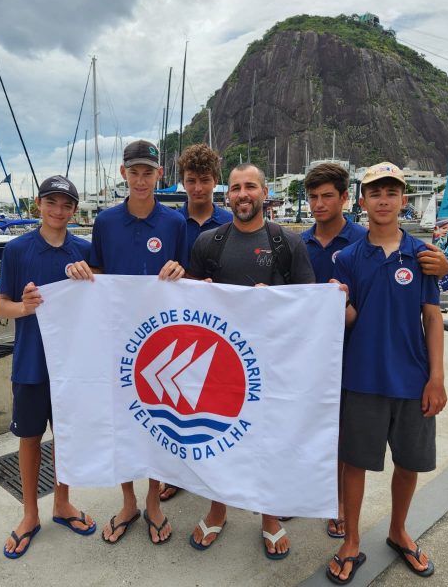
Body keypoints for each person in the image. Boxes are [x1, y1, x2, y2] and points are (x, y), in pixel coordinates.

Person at [301, 163, 448, 540]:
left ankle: (398, 531)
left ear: (403, 199)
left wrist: (436, 378)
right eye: (375, 194)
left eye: (391, 193)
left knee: (409, 464)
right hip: (362, 378)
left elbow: (432, 319)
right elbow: (351, 318)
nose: (383, 201)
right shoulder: (348, 257)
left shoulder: (422, 256)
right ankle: (350, 541)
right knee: (354, 464)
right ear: (363, 201)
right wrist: (338, 302)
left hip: (412, 380)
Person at [187, 162, 316, 559]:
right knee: (217, 439)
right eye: (236, 188)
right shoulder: (209, 242)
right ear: (228, 196)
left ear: (264, 194)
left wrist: (274, 297)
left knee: (270, 439)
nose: (243, 194)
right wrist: (199, 289)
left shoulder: (287, 243)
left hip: (273, 362)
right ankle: (217, 508)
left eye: (251, 187)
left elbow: (308, 304)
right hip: (220, 363)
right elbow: (188, 304)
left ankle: (270, 516)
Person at [66, 139, 185, 545]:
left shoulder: (174, 224)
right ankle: (128, 501)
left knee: (156, 420)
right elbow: (98, 273)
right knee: (121, 421)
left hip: (159, 340)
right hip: (117, 341)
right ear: (123, 174)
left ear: (159, 175)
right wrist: (81, 270)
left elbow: (187, 279)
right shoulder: (106, 222)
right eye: (133, 171)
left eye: (147, 172)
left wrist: (178, 270)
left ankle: (153, 501)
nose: (140, 179)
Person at [0, 175, 96, 559]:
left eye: (66, 205)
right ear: (39, 204)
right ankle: (30, 514)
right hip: (31, 362)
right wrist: (24, 307)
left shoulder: (84, 250)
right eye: (52, 202)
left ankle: (63, 504)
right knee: (30, 438)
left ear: (73, 210)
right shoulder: (17, 250)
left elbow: (101, 297)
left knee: (66, 437)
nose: (58, 210)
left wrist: (91, 278)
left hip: (72, 364)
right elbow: (0, 305)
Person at [159, 142, 233, 503]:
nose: (198, 188)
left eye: (205, 180)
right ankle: (178, 473)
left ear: (216, 181)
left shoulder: (231, 222)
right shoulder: (173, 223)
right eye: (191, 180)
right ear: (182, 182)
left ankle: (216, 475)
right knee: (176, 402)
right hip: (181, 328)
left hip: (221, 331)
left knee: (213, 402)